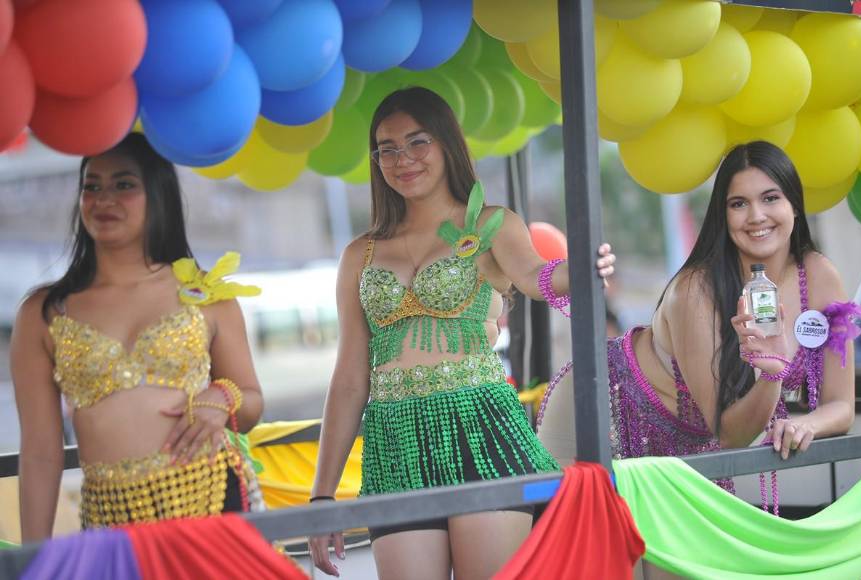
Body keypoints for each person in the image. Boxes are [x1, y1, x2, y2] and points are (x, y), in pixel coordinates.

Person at [307, 86, 615, 580]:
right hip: (395, 444)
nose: (403, 159)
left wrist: (579, 270)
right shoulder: (359, 254)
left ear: (446, 142)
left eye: (417, 141)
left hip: (481, 429)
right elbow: (348, 379)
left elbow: (535, 275)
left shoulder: (492, 225)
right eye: (387, 149)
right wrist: (322, 496)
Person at [10, 133, 263, 541]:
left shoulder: (205, 294)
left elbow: (252, 404)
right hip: (112, 521)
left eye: (123, 185)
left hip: (211, 502)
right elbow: (40, 451)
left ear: (158, 195)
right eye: (92, 187)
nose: (104, 199)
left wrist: (222, 397)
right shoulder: (43, 312)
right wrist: (33, 556)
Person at [607, 141, 856, 476]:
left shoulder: (819, 276)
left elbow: (841, 405)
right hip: (610, 423)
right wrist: (772, 376)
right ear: (723, 216)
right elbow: (727, 437)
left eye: (770, 198)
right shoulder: (694, 290)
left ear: (795, 205)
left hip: (698, 461)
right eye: (739, 203)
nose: (756, 216)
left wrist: (807, 424)